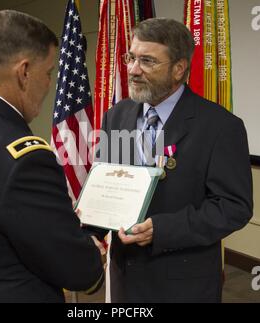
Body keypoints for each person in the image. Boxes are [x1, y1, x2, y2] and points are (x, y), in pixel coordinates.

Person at [92, 18, 253, 303]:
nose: (133, 70)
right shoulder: (116, 116)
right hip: (124, 279)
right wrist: (89, 226)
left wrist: (163, 230)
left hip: (183, 284)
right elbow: (105, 183)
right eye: (131, 57)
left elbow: (234, 207)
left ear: (178, 69)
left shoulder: (220, 126)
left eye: (147, 61)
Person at [0, 10, 103, 303]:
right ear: (24, 72)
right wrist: (90, 250)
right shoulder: (25, 160)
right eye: (49, 72)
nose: (50, 83)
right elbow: (79, 272)